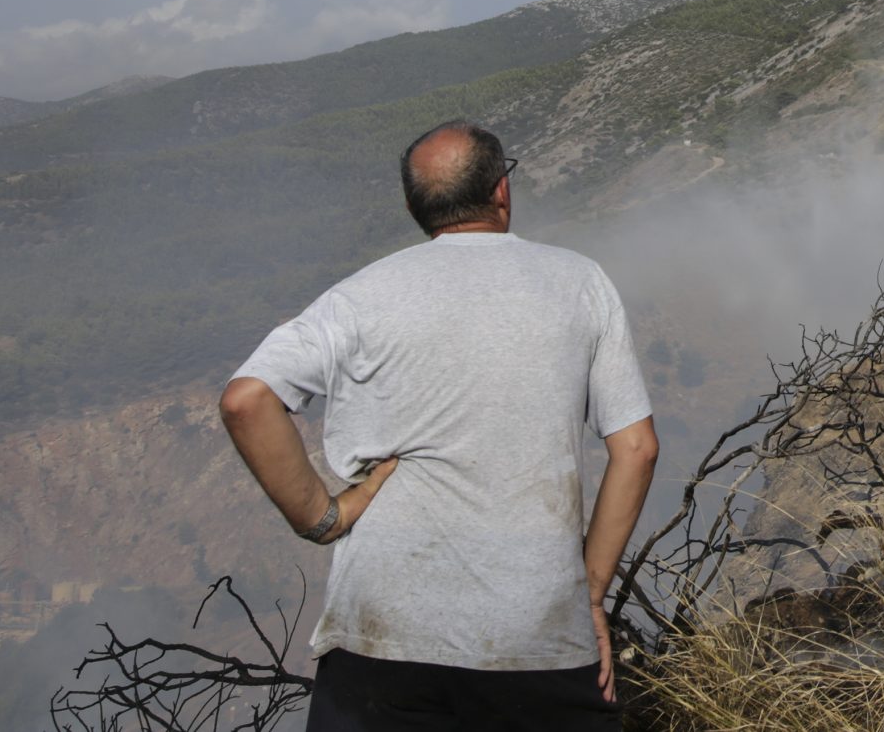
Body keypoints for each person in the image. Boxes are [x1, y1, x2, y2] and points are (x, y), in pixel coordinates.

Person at [219, 121, 659, 731]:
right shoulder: (580, 283)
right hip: (536, 644)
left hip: (380, 643)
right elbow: (636, 449)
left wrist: (324, 518)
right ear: (502, 191)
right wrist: (586, 596)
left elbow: (246, 400)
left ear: (414, 209)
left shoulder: (357, 298)